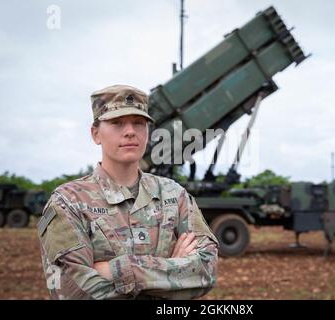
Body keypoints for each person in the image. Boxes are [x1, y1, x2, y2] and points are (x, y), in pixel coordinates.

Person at [37, 84, 219, 300]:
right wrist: (173, 270)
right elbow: (71, 291)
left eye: (139, 123)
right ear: (95, 134)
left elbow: (206, 270)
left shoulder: (174, 195)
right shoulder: (68, 202)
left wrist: (120, 270)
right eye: (117, 123)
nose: (130, 131)